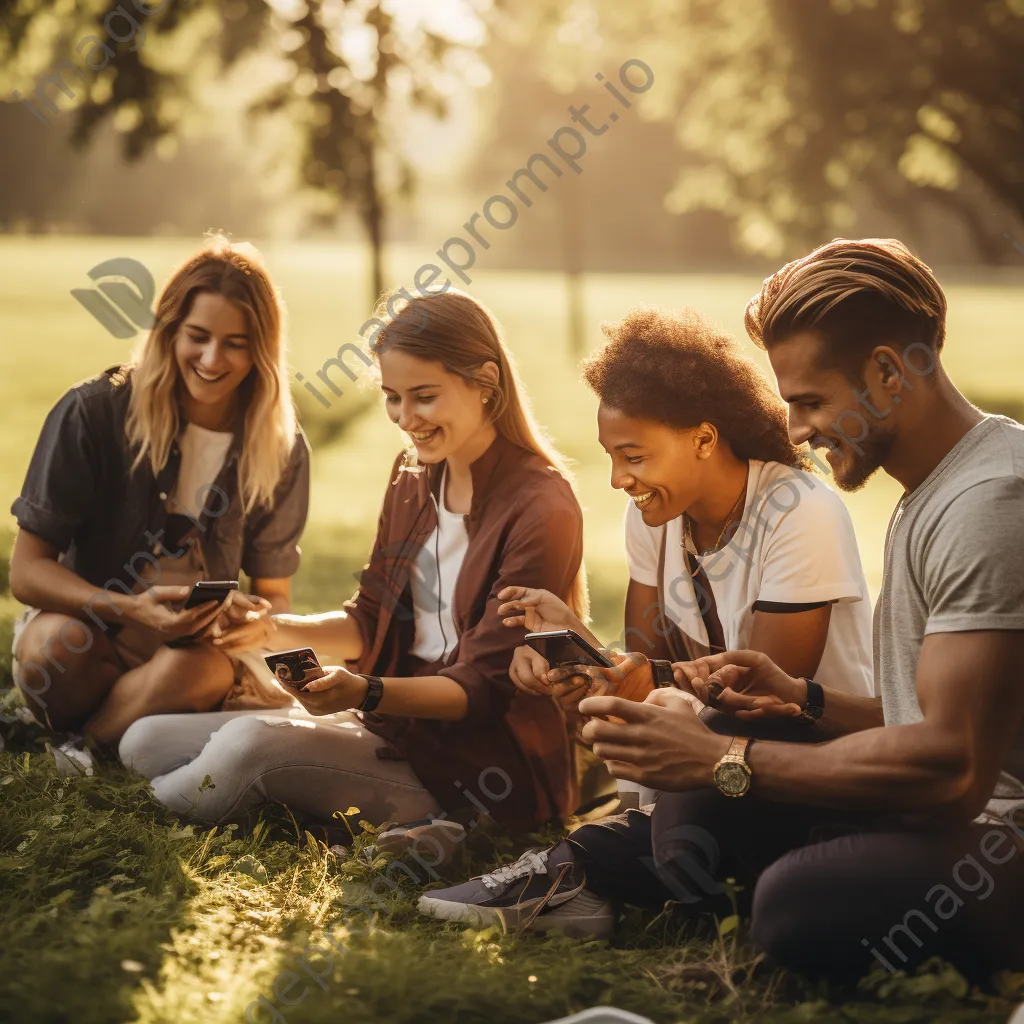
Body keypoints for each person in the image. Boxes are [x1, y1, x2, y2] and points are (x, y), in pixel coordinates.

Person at [418, 240, 1024, 981]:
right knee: (717, 774)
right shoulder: (931, 493)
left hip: (997, 839)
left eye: (809, 402)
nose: (797, 430)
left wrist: (724, 761)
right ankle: (599, 873)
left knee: (792, 900)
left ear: (890, 373)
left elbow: (956, 766)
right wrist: (799, 699)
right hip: (928, 808)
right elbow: (917, 720)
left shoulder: (988, 502)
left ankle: (674, 895)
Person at [119, 289, 587, 836]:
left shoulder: (541, 505)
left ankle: (132, 819)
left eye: (424, 396)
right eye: (392, 397)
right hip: (387, 724)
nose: (405, 418)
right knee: (142, 741)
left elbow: (479, 689)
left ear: (485, 382)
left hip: (473, 764)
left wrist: (366, 691)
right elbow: (368, 620)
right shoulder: (414, 477)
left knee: (250, 745)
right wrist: (267, 628)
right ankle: (328, 815)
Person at [484, 305, 874, 810]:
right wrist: (577, 648)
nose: (618, 479)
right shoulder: (655, 515)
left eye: (634, 456)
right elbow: (647, 677)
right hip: (710, 750)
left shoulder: (799, 512)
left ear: (705, 439)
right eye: (612, 456)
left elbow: (756, 698)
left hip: (801, 763)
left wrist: (629, 683)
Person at [9, 234, 310, 747]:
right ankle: (133, 717)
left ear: (261, 349)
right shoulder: (93, 412)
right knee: (54, 652)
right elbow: (27, 571)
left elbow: (274, 595)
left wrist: (257, 618)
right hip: (94, 629)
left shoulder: (280, 446)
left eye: (236, 343)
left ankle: (85, 744)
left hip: (190, 655)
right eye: (198, 335)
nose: (212, 358)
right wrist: (126, 608)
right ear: (169, 332)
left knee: (197, 675)